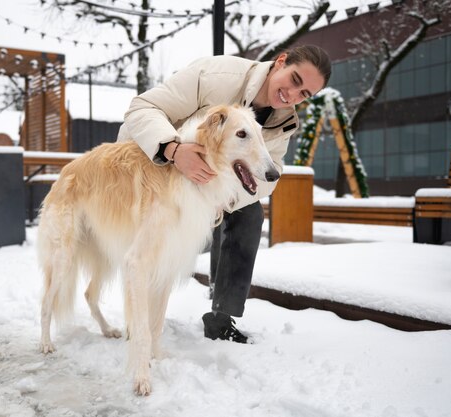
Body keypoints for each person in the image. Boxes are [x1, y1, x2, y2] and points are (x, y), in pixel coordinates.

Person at [117, 45, 331, 343]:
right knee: (159, 241)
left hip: (208, 185)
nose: (293, 96)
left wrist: (225, 199)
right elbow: (141, 109)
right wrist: (173, 150)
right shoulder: (217, 74)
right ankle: (140, 314)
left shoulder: (284, 121)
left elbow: (270, 174)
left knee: (249, 214)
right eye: (295, 80)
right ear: (280, 62)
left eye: (305, 94)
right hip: (153, 164)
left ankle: (221, 317)